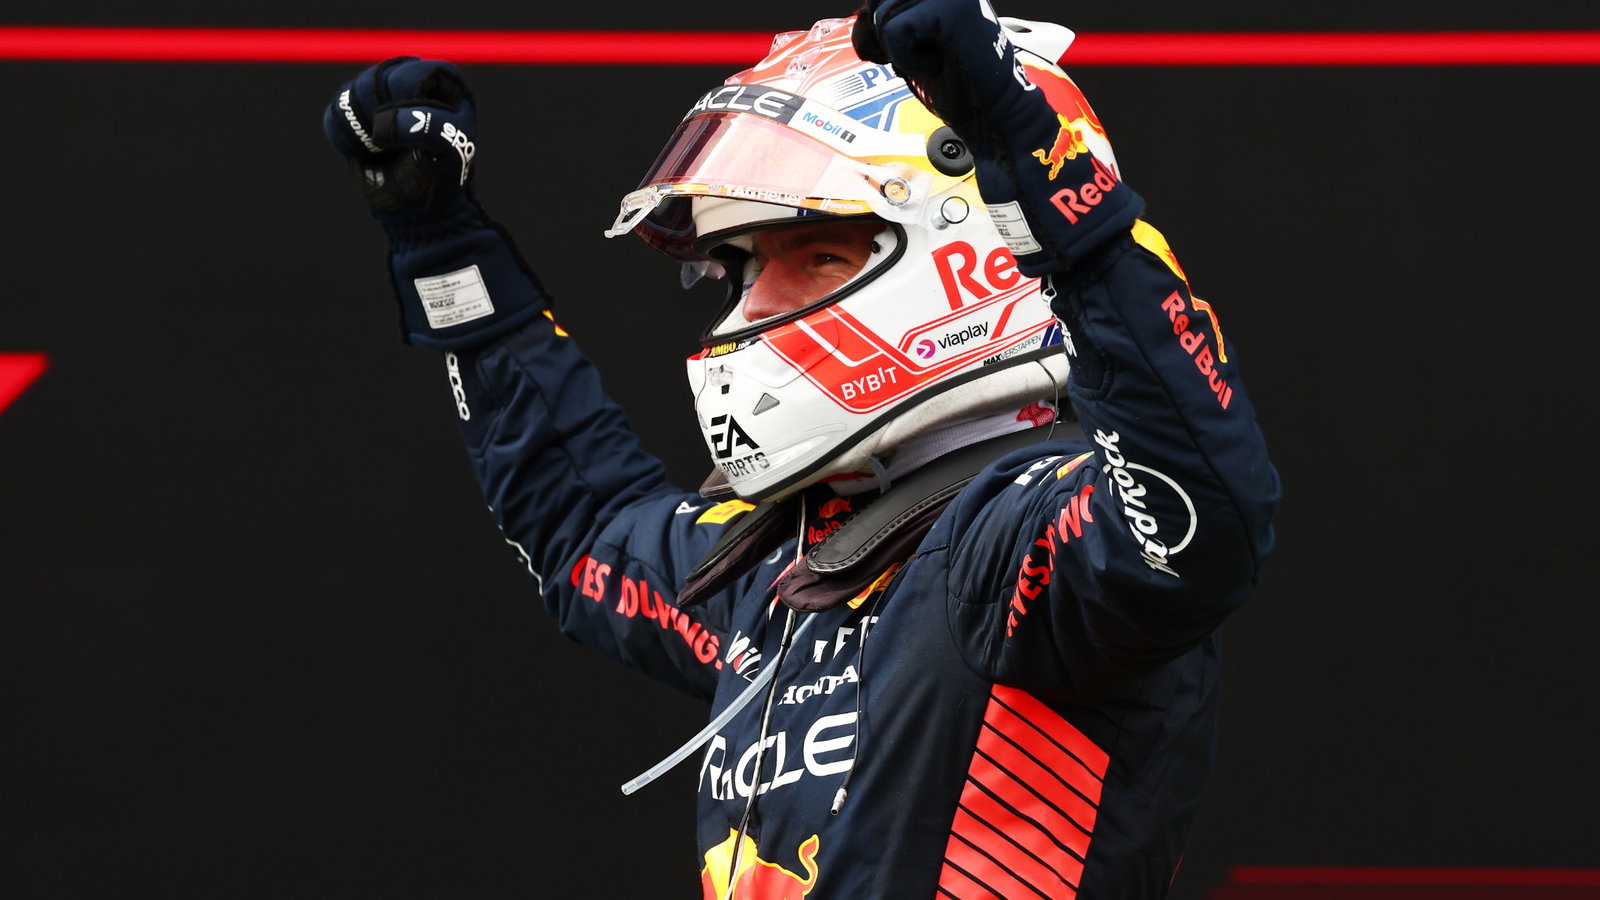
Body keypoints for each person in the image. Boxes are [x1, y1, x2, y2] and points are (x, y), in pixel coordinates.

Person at [323, 1, 1279, 896]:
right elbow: (586, 529)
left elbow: (1202, 515)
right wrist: (439, 244)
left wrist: (1043, 168)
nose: (753, 304)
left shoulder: (1025, 545)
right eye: (743, 266)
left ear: (977, 250)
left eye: (816, 255)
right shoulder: (787, 569)